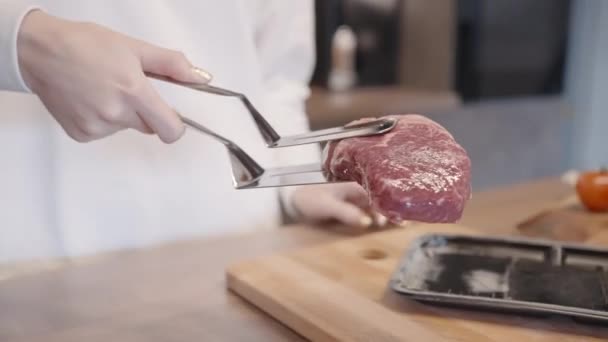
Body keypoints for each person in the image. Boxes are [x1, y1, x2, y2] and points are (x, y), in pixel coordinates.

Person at [0, 1, 382, 263]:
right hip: (38, 250)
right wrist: (21, 40)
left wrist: (295, 177)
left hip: (241, 251)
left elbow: (278, 77)